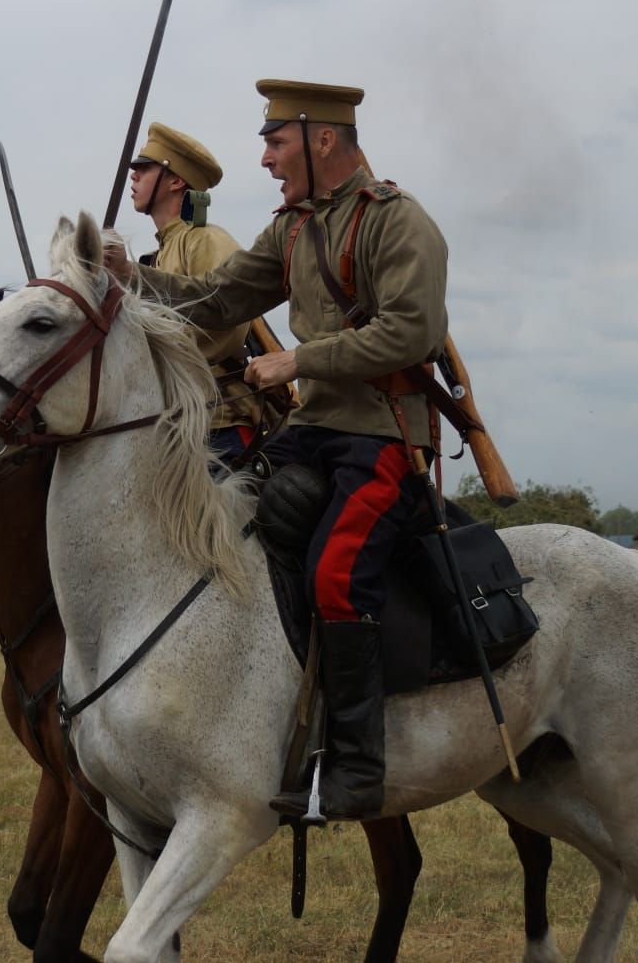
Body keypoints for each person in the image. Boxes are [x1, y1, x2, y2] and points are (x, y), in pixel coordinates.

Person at [105, 80, 448, 821]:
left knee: (335, 574)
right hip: (316, 434)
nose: (263, 159)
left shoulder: (398, 222)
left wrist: (299, 360)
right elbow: (219, 300)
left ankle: (358, 766)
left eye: (275, 141)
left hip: (383, 433)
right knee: (238, 545)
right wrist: (132, 278)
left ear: (322, 138)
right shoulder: (293, 227)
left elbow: (411, 332)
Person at [127, 122, 266, 466]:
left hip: (218, 427)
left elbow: (227, 325)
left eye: (144, 169)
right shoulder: (157, 256)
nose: (134, 176)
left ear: (175, 181)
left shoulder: (205, 240)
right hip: (174, 422)